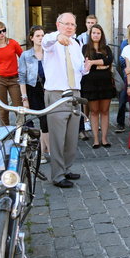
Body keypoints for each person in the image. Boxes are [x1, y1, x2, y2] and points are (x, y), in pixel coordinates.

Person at [42, 12, 89, 188]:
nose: (69, 27)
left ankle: (66, 168)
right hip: (57, 93)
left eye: (73, 24)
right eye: (66, 24)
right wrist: (57, 36)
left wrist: (86, 67)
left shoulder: (76, 44)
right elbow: (45, 40)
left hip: (74, 92)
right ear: (58, 24)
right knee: (58, 136)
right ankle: (57, 175)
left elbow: (78, 70)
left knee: (71, 136)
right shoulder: (52, 42)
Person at [18, 25, 50, 164]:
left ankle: (43, 152)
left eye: (42, 35)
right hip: (32, 90)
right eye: (37, 35)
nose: (41, 38)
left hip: (47, 90)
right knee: (32, 121)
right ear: (31, 38)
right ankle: (36, 151)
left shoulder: (49, 52)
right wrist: (24, 97)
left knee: (46, 121)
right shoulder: (26, 55)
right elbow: (22, 77)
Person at [81, 24, 116, 148]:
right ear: (90, 35)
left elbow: (109, 61)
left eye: (98, 33)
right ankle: (96, 139)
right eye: (94, 33)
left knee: (105, 111)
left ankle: (105, 139)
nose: (96, 35)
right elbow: (84, 63)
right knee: (94, 112)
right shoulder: (85, 48)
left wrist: (92, 62)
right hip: (90, 84)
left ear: (102, 35)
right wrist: (100, 64)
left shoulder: (106, 48)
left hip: (106, 83)